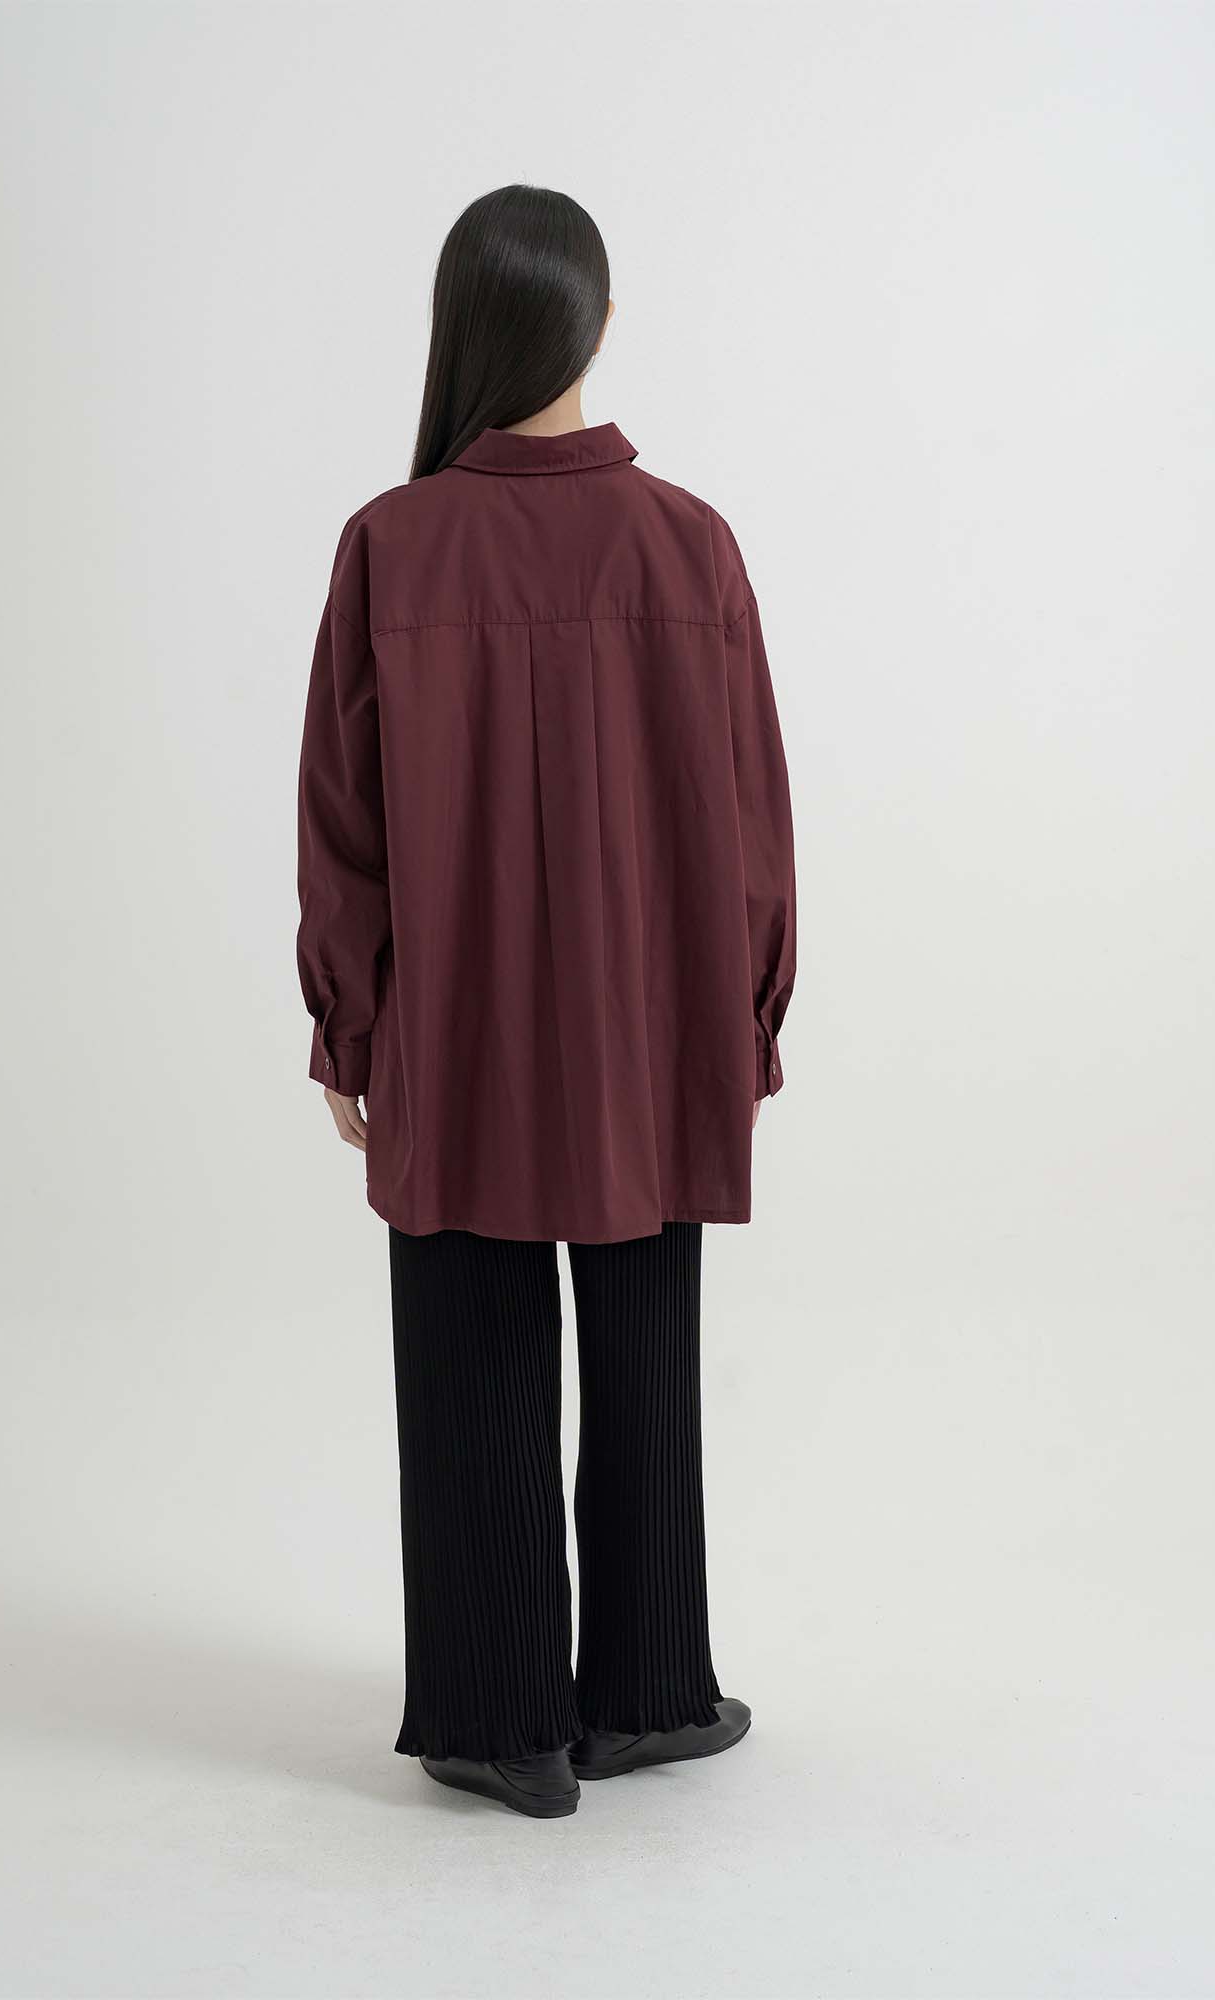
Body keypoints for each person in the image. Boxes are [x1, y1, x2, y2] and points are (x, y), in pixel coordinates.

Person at [296, 184, 797, 1819]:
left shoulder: (393, 542)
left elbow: (343, 823)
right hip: (654, 1034)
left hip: (456, 1037)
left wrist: (351, 1024)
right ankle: (647, 1694)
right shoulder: (692, 544)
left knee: (469, 1353)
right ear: (598, 324)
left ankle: (501, 1716)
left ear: (462, 330)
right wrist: (747, 1013)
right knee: (648, 1353)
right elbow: (753, 813)